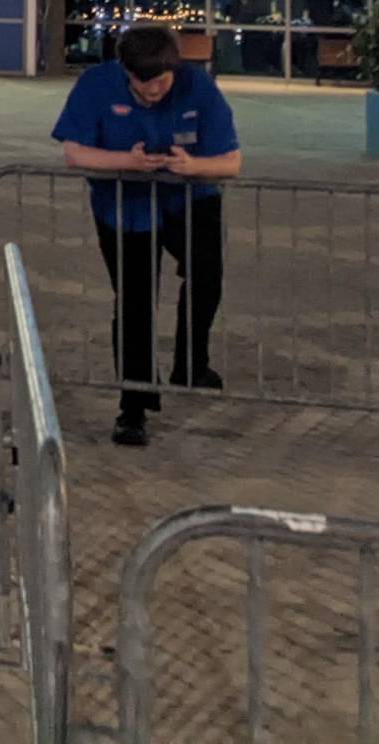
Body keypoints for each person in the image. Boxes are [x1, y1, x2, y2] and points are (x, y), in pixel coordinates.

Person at [53, 24, 241, 449]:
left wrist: (194, 168)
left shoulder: (199, 86)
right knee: (136, 301)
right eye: (143, 84)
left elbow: (231, 162)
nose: (154, 91)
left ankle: (191, 362)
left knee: (206, 275)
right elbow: (73, 152)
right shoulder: (96, 85)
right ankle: (133, 407)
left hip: (190, 199)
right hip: (125, 206)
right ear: (125, 73)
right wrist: (127, 162)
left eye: (162, 81)